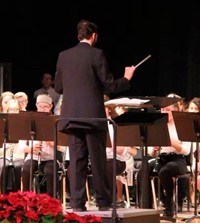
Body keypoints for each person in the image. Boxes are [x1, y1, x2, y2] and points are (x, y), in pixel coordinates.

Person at [54, 19, 136, 212]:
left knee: (76, 161)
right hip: (93, 117)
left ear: (78, 35)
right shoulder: (97, 54)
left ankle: (77, 204)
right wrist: (127, 77)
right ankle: (103, 202)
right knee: (98, 160)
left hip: (71, 116)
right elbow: (110, 85)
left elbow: (58, 87)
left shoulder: (63, 56)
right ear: (94, 36)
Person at [21, 94, 60, 197]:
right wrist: (31, 149)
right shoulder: (30, 121)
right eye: (40, 106)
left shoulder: (56, 121)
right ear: (36, 106)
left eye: (45, 107)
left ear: (51, 107)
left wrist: (52, 143)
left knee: (50, 171)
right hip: (33, 156)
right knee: (26, 169)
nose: (42, 109)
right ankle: (26, 198)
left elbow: (63, 147)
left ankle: (51, 200)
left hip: (50, 157)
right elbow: (21, 146)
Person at [0, 99, 25, 193]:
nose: (13, 112)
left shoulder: (23, 124)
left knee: (18, 167)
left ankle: (17, 195)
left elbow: (23, 145)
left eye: (16, 109)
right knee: (3, 166)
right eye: (11, 109)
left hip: (18, 155)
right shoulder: (2, 124)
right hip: (4, 155)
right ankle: (3, 196)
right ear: (7, 110)